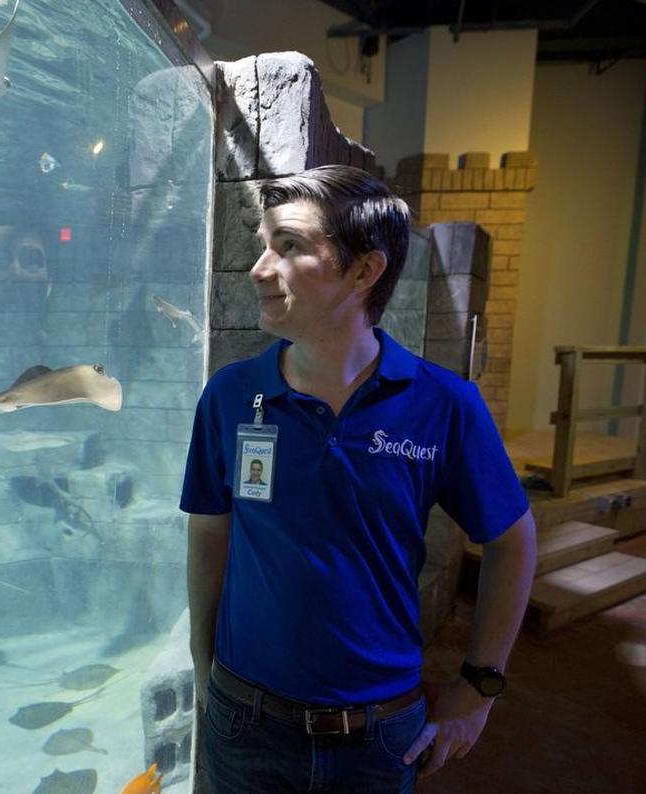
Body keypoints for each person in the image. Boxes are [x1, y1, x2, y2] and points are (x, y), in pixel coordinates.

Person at [181, 165, 537, 793]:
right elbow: (211, 536)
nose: (260, 269)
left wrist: (479, 688)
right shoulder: (231, 396)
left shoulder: (444, 404)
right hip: (245, 720)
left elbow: (511, 541)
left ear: (364, 271)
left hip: (378, 736)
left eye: (288, 247)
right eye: (266, 245)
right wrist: (203, 664)